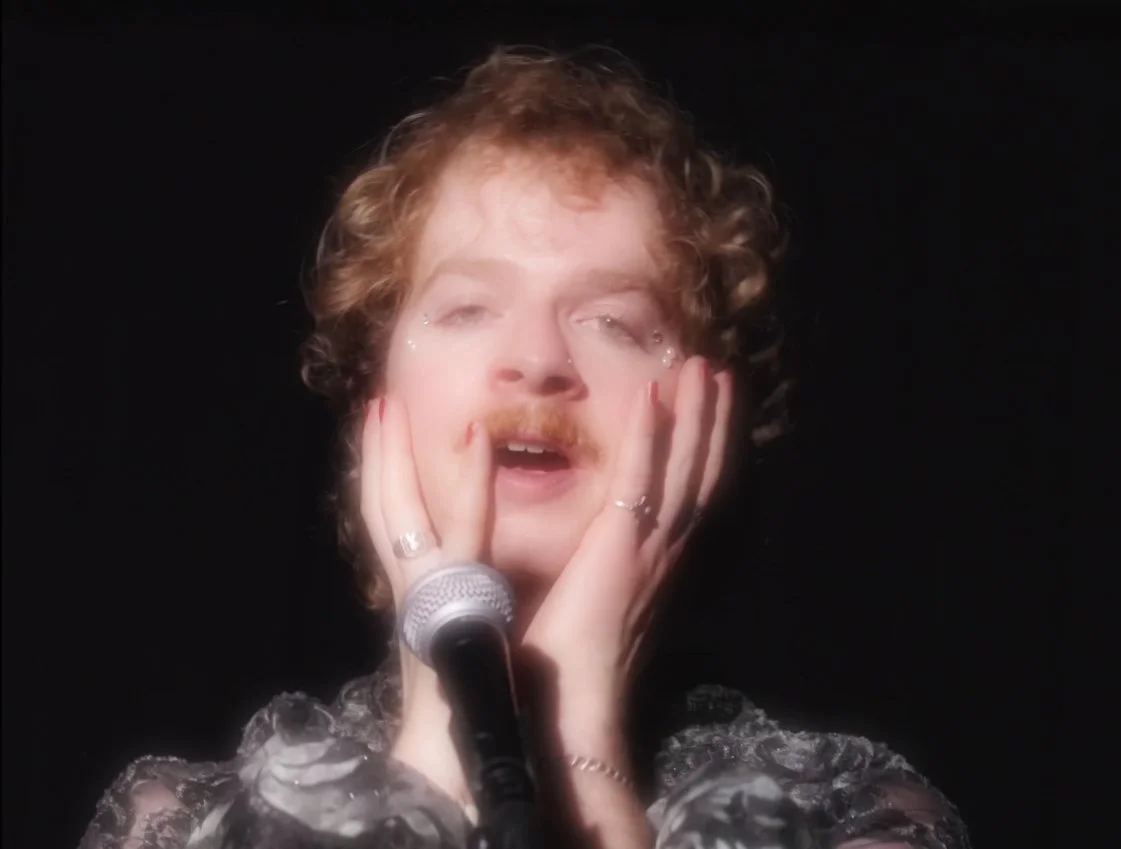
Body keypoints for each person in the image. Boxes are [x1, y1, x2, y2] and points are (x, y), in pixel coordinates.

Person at [79, 47, 971, 849]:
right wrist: (436, 736)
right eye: (468, 309)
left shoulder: (857, 816)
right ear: (372, 400)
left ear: (708, 414)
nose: (538, 362)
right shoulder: (179, 823)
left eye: (615, 322)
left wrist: (585, 753)